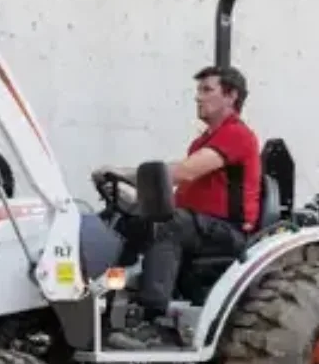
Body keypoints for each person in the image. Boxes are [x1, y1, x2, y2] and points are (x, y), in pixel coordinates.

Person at [94, 65, 261, 349]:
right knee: (124, 222)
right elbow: (175, 185)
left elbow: (184, 172)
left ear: (231, 96)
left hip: (227, 231)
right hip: (199, 225)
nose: (198, 97)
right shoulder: (201, 141)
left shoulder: (237, 135)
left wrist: (124, 172)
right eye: (198, 90)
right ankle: (101, 301)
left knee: (169, 224)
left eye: (207, 90)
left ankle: (154, 322)